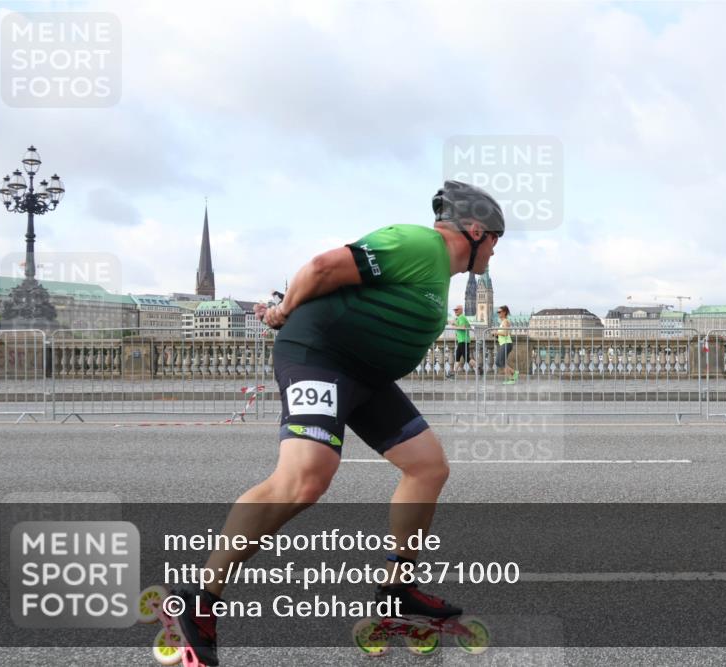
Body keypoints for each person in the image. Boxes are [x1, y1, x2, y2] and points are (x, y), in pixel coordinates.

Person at [169, 180, 504, 666]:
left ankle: (397, 589)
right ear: (475, 231)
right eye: (496, 238)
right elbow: (324, 266)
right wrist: (283, 311)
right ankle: (200, 596)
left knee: (428, 467)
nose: (495, 250)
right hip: (320, 358)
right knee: (305, 479)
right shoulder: (418, 242)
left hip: (364, 376)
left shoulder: (437, 274)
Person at [446, 304, 476, 378]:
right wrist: (452, 323)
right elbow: (456, 324)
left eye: (457, 310)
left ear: (461, 310)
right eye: (454, 310)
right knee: (457, 358)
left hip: (463, 340)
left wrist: (454, 326)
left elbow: (462, 327)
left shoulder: (462, 317)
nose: (455, 311)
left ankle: (478, 367)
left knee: (467, 358)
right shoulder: (459, 318)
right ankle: (453, 374)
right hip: (461, 341)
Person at [495, 305, 518, 384]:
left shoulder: (505, 321)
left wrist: (496, 332)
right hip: (504, 343)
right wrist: (497, 334)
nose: (498, 313)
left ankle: (511, 379)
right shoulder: (503, 322)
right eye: (497, 312)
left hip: (506, 343)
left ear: (504, 312)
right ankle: (514, 372)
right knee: (498, 362)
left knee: (501, 362)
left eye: (499, 312)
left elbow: (505, 333)